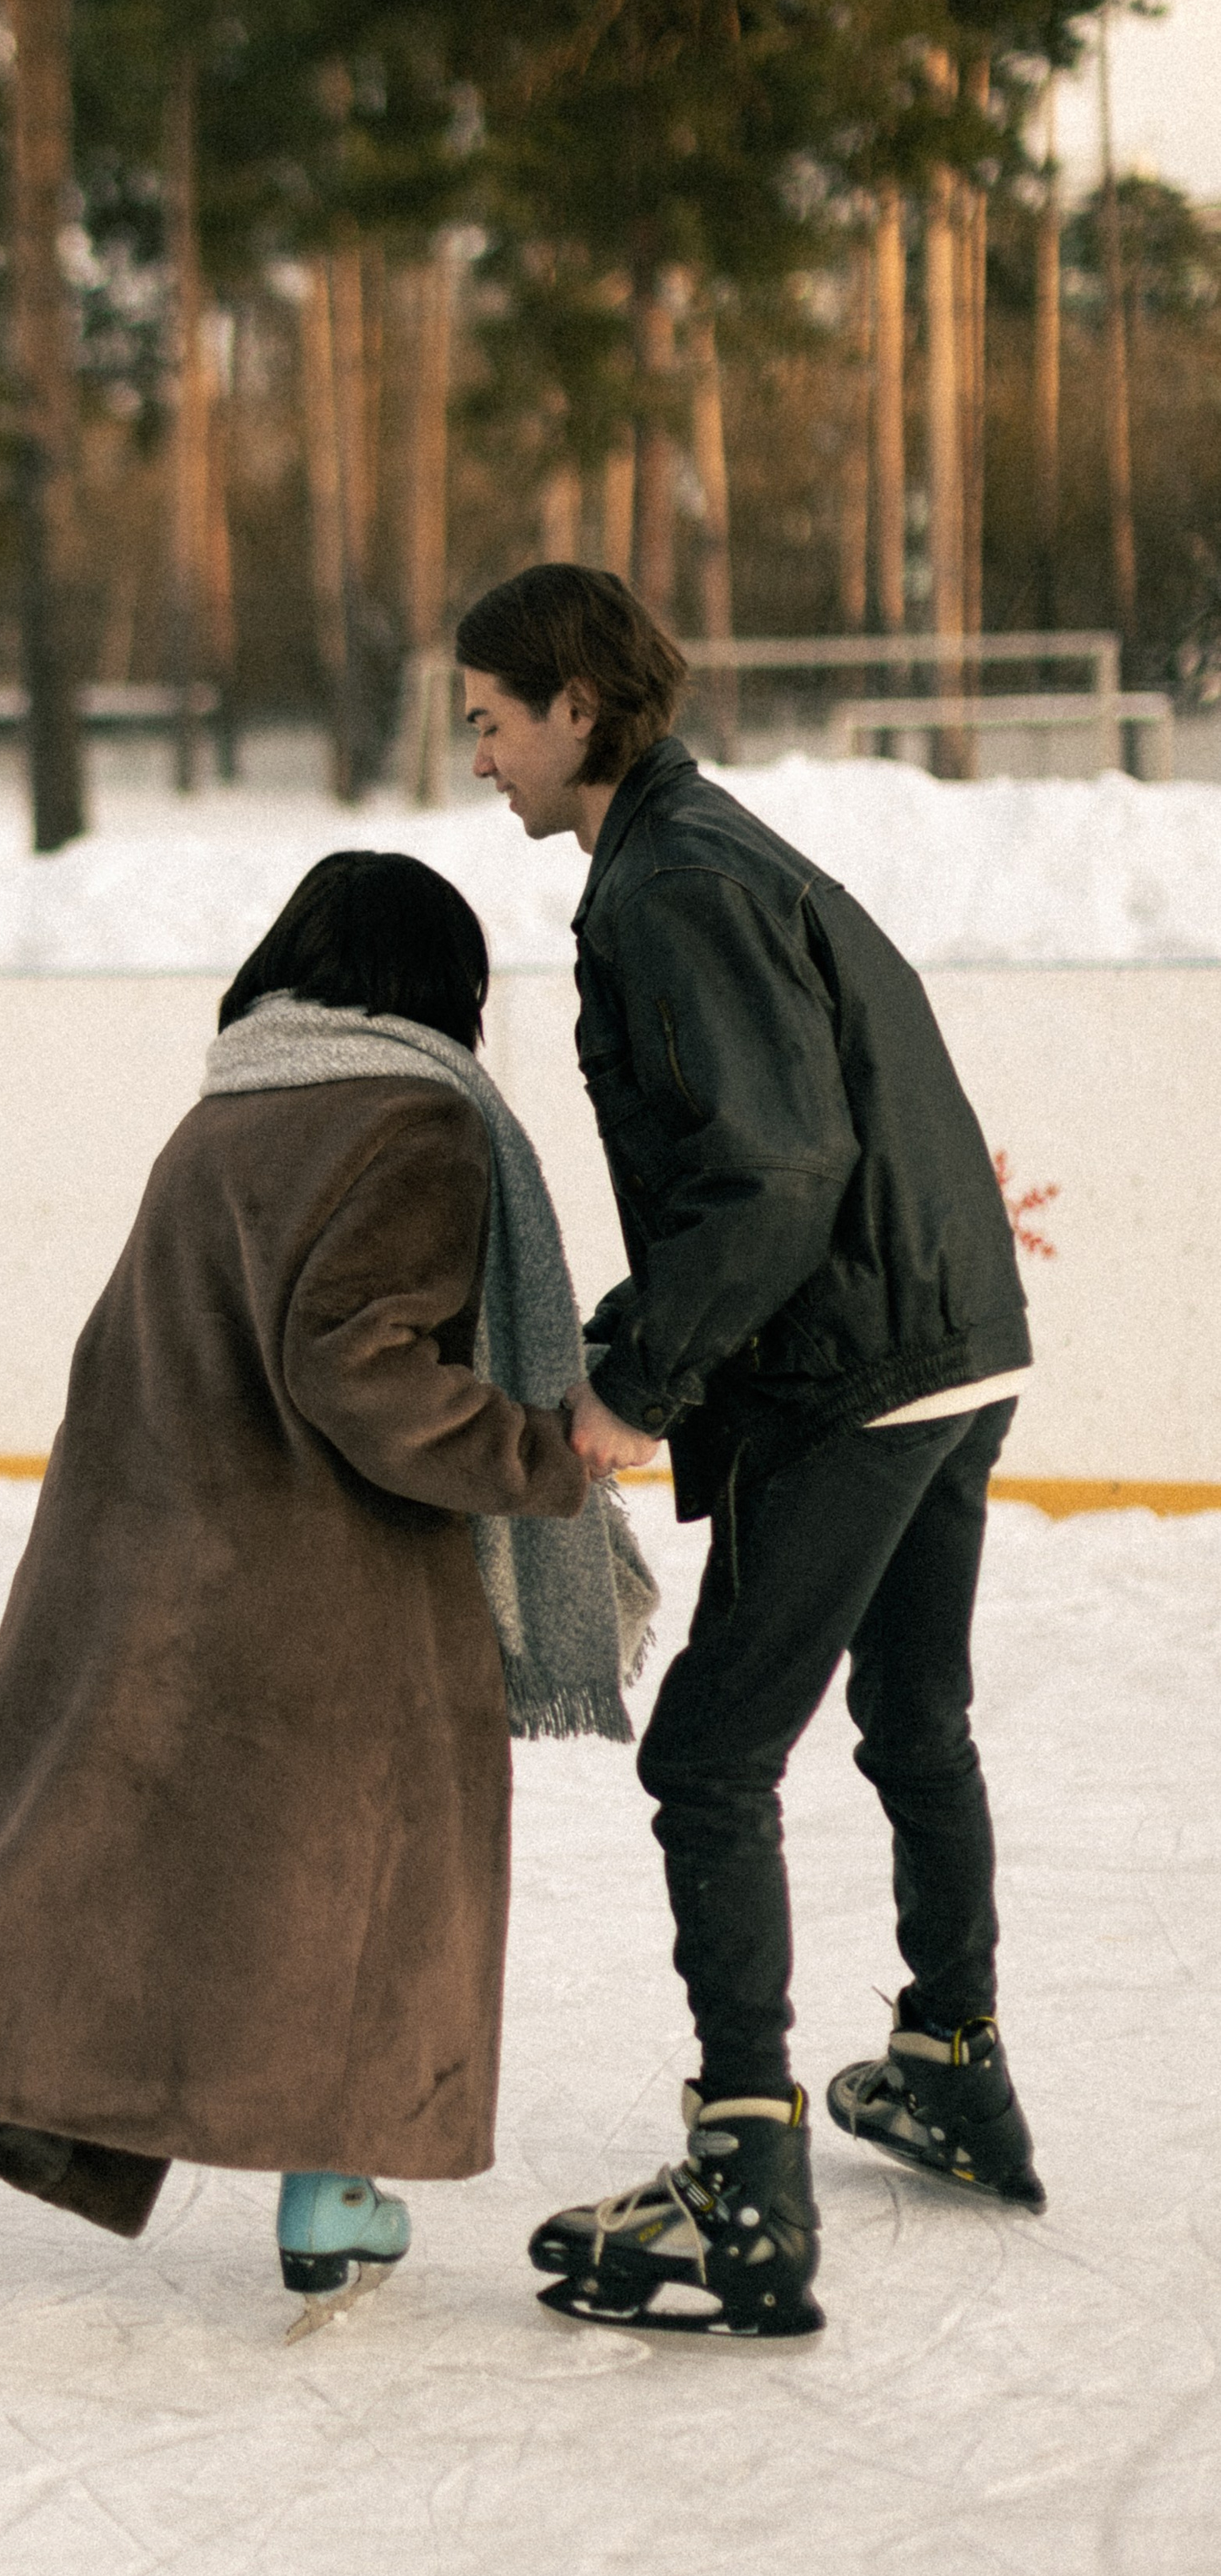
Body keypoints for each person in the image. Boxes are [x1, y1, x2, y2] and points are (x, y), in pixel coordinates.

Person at [0, 851, 653, 2400]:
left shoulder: (232, 1107)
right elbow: (357, 1364)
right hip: (319, 1619)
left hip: (137, 1591)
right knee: (234, 1912)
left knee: (56, 1923)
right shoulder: (418, 1120)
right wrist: (545, 1452)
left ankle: (330, 2202)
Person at [455, 562, 1043, 2346]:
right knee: (912, 1717)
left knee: (709, 1755)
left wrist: (638, 1384)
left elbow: (776, 1173)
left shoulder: (673, 886)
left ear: (575, 709)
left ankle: (743, 2188)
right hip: (950, 1341)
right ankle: (949, 2062)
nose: (477, 759)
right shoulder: (710, 849)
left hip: (852, 1367)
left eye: (490, 721)